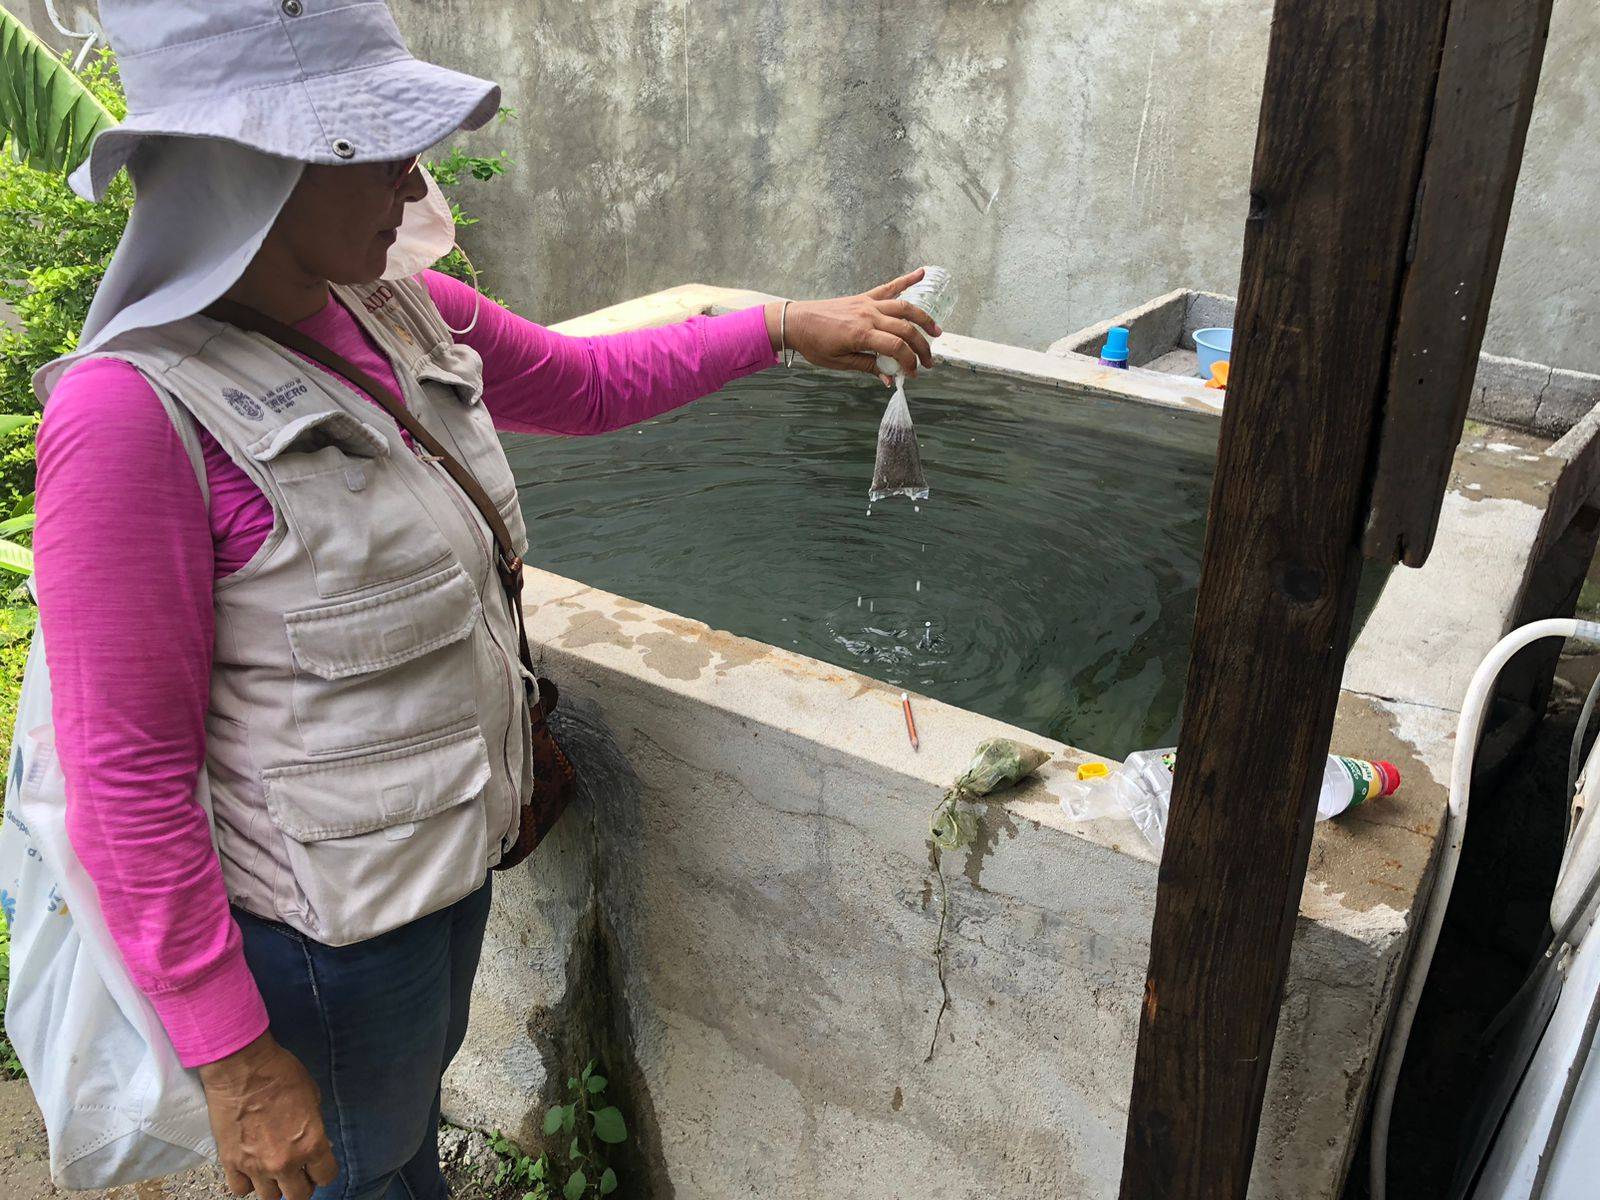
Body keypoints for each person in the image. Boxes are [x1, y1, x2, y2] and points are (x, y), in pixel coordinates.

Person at [30, 4, 941, 1199]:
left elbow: (587, 381)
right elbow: (128, 779)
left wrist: (778, 327)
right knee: (360, 1174)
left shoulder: (395, 312)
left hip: (440, 887)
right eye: (371, 146)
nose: (415, 179)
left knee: (397, 1158)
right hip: (318, 951)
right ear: (247, 166)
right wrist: (238, 1062)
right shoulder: (132, 421)